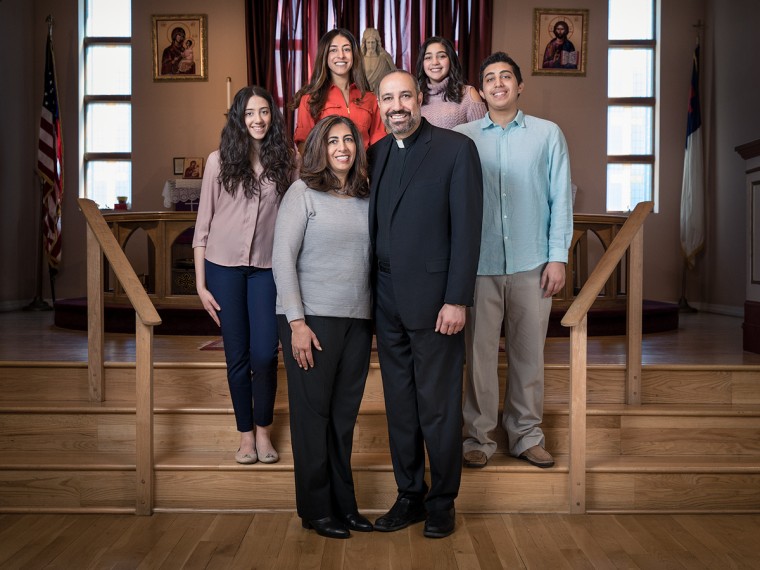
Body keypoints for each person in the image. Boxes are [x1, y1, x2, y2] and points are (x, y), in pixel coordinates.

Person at [368, 70, 483, 539]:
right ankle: (409, 495)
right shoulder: (374, 154)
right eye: (388, 98)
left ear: (420, 99)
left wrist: (457, 299)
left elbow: (467, 231)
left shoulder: (456, 150)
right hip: (385, 300)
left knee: (437, 408)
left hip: (437, 304)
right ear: (380, 105)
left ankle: (442, 501)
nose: (397, 106)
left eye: (404, 96)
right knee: (400, 406)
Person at [453, 52, 573, 470]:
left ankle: (526, 436)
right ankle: (478, 438)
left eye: (506, 76)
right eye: (490, 78)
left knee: (528, 355)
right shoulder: (463, 137)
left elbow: (561, 199)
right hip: (479, 265)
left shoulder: (548, 134)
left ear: (520, 86)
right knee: (479, 358)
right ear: (481, 91)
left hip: (532, 264)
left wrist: (557, 257)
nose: (498, 83)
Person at [273, 115, 374, 540]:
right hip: (310, 321)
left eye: (348, 139)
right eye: (332, 141)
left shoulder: (367, 196)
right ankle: (316, 509)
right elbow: (282, 257)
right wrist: (296, 321)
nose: (342, 148)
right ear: (319, 147)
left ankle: (344, 505)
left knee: (342, 419)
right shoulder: (302, 193)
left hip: (358, 321)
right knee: (313, 418)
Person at [193, 86, 298, 466]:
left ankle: (265, 430)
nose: (258, 119)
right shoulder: (217, 162)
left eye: (265, 112)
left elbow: (296, 220)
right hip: (223, 270)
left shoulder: (289, 160)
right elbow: (202, 228)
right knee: (236, 356)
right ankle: (245, 437)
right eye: (251, 113)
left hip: (268, 270)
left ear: (273, 117)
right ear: (239, 117)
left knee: (265, 354)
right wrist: (202, 285)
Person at [292, 28, 385, 151]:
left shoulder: (370, 98)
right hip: (326, 169)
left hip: (366, 169)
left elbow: (380, 144)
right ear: (324, 55)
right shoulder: (310, 99)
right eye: (333, 50)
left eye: (346, 49)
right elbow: (304, 146)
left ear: (354, 54)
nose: (341, 55)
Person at [416, 36, 486, 129]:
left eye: (442, 56)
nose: (435, 62)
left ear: (451, 60)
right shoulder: (416, 98)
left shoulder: (468, 94)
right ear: (422, 63)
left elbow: (482, 136)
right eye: (428, 57)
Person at [361, 28, 395, 92]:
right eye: (368, 42)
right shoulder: (359, 59)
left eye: (373, 42)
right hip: (363, 95)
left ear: (377, 43)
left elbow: (393, 76)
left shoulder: (384, 59)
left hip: (381, 94)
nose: (371, 46)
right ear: (365, 44)